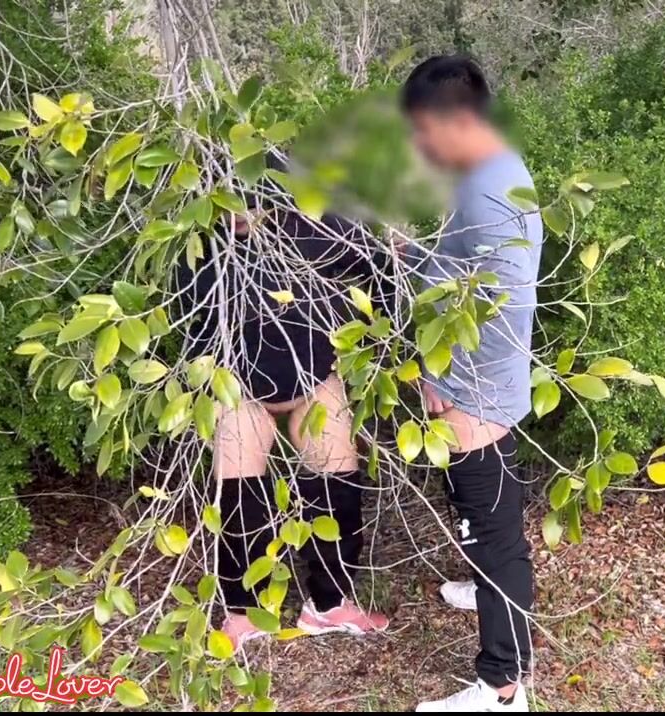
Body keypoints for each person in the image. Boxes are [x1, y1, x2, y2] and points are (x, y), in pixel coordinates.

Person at [178, 167, 391, 649]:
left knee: (339, 481)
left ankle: (329, 603)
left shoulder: (319, 224)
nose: (239, 213)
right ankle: (243, 612)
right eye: (227, 203)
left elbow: (377, 272)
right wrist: (216, 383)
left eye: (250, 201)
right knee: (239, 494)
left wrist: (363, 343)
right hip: (240, 385)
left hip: (313, 379)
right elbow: (189, 324)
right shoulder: (200, 245)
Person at [398, 55, 542, 713]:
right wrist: (418, 257)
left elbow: (499, 305)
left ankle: (502, 687)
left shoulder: (488, 194)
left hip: (476, 387)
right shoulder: (490, 172)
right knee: (481, 511)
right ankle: (486, 590)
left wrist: (450, 385)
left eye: (422, 130)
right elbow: (466, 276)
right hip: (473, 381)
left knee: (493, 530)